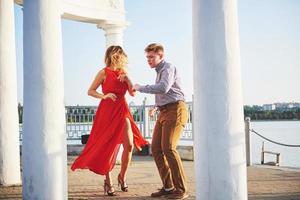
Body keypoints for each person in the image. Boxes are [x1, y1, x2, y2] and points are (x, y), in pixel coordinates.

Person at [71, 45, 148, 196]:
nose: (121, 57)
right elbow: (90, 91)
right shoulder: (103, 72)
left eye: (121, 54)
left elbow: (132, 93)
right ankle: (108, 181)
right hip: (106, 112)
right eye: (118, 54)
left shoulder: (123, 73)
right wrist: (104, 96)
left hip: (122, 110)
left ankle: (122, 176)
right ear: (113, 56)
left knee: (130, 145)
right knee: (107, 146)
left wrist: (128, 79)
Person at [133, 43, 189, 199]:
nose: (149, 60)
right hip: (164, 111)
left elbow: (164, 88)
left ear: (161, 56)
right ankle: (168, 187)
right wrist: (157, 107)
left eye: (152, 57)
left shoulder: (168, 68)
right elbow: (168, 92)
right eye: (147, 57)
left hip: (176, 110)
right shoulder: (159, 71)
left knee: (169, 148)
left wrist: (139, 87)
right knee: (156, 149)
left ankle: (181, 189)